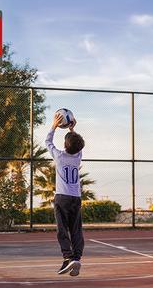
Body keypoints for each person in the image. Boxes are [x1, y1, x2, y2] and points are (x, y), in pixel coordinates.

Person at [45, 112, 85, 276]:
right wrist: (72, 129)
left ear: (65, 145)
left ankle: (68, 258)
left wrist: (54, 126)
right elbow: (76, 145)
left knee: (62, 229)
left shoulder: (59, 156)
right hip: (76, 198)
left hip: (61, 198)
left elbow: (48, 142)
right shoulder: (78, 157)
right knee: (76, 229)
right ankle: (76, 258)